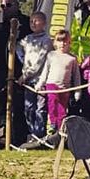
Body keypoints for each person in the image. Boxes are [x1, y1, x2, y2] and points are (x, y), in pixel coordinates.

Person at [0, 0, 31, 146]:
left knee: (19, 106)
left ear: (17, 5)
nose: (6, 8)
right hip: (2, 70)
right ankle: (1, 137)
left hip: (20, 71)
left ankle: (19, 139)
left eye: (9, 5)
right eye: (3, 6)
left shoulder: (26, 22)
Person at [16, 11, 53, 146]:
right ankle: (32, 133)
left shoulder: (47, 41)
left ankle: (39, 134)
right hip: (28, 81)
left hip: (40, 79)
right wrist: (22, 60)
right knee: (29, 108)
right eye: (31, 21)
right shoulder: (28, 39)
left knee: (40, 108)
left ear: (43, 23)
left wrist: (25, 75)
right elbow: (17, 47)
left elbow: (39, 62)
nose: (33, 24)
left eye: (36, 21)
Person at [40, 29, 82, 138]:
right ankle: (53, 123)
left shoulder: (72, 59)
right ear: (55, 42)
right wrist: (40, 84)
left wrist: (78, 91)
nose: (62, 44)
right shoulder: (51, 55)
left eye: (65, 41)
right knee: (52, 102)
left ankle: (60, 130)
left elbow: (76, 77)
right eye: (59, 41)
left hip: (65, 87)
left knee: (62, 109)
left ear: (69, 43)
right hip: (52, 84)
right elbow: (45, 71)